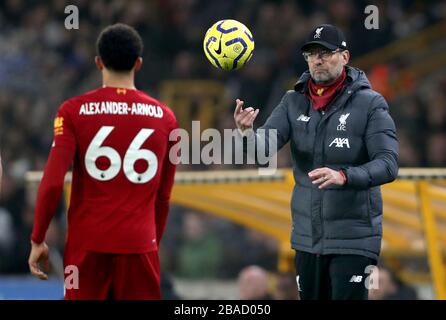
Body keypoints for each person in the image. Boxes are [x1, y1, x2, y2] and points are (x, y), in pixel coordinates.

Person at [234, 24, 398, 300]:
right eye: (311, 54)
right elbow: (263, 151)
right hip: (307, 239)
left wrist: (344, 175)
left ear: (344, 57)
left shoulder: (371, 104)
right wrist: (246, 132)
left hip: (355, 241)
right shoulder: (292, 101)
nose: (317, 60)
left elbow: (388, 163)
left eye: (325, 53)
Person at [28, 23, 178, 300]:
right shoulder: (167, 119)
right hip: (140, 246)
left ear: (98, 63)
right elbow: (164, 196)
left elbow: (52, 183)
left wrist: (38, 237)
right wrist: (150, 241)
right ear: (138, 63)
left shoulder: (72, 112)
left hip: (87, 248)